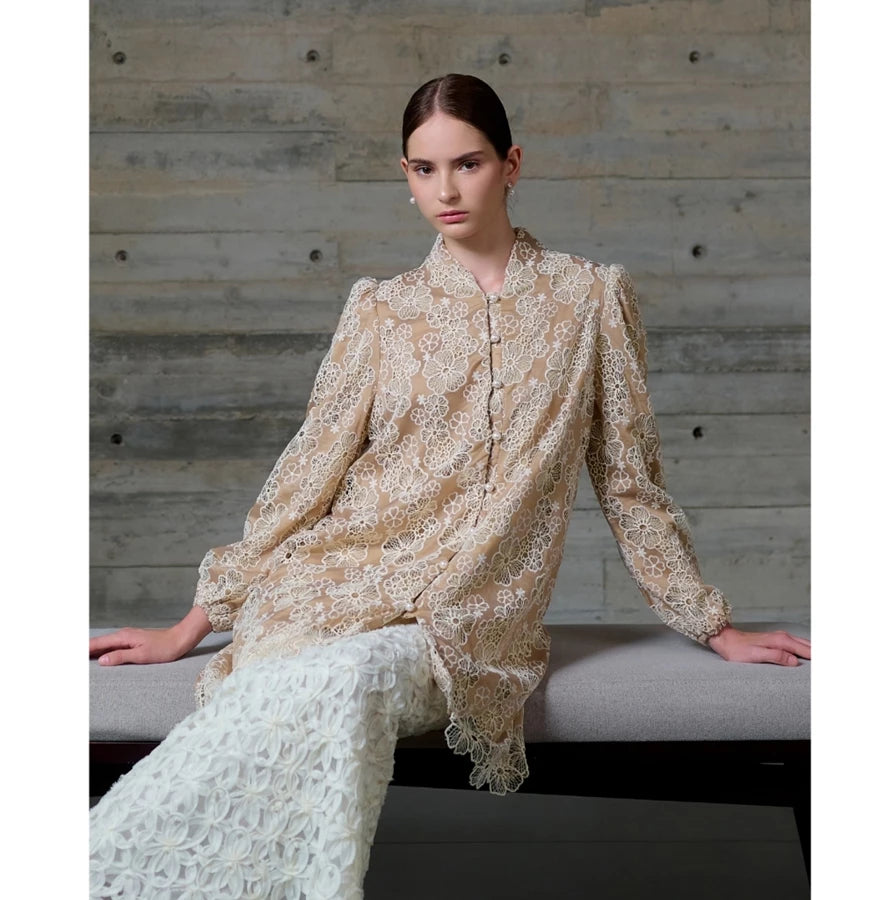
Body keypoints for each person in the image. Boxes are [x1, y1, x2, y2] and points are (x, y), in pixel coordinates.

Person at [89, 73, 811, 899]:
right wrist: (190, 627)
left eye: (465, 164)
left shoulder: (589, 298)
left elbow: (629, 482)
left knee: (343, 682)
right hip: (327, 581)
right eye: (424, 170)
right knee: (295, 678)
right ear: (405, 176)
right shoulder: (380, 311)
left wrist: (712, 625)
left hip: (472, 608)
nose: (446, 190)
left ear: (511, 164)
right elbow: (305, 476)